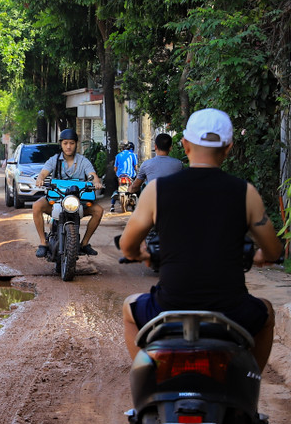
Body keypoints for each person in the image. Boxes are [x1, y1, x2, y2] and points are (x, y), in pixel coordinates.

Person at [119, 108, 284, 370]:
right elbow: (273, 251)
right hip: (232, 309)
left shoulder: (157, 190)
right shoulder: (245, 193)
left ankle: (148, 377)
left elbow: (127, 246)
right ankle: (250, 385)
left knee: (129, 308)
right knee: (266, 312)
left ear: (185, 146)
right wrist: (263, 256)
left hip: (169, 306)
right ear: (228, 148)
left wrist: (141, 254)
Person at [33, 129, 104, 258]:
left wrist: (96, 182)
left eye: (71, 143)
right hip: (57, 199)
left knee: (98, 210)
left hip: (78, 202)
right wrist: (40, 179)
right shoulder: (54, 160)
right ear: (61, 144)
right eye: (65, 143)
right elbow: (43, 173)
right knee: (36, 206)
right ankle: (43, 243)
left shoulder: (83, 161)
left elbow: (93, 175)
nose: (68, 146)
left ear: (76, 144)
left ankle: (85, 243)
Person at [111, 142, 138, 212]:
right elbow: (136, 167)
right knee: (136, 187)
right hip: (130, 176)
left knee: (115, 187)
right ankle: (137, 202)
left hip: (120, 176)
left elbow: (115, 169)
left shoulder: (118, 155)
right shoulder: (133, 155)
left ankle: (112, 205)